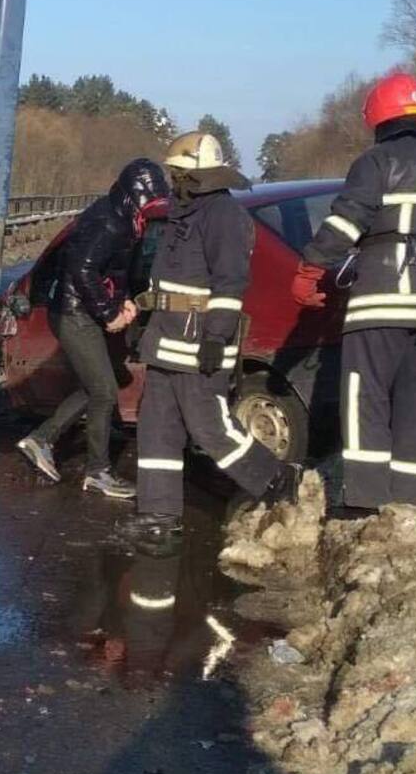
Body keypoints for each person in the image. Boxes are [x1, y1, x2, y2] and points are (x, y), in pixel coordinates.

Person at [290, 72, 416, 516]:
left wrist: (309, 269)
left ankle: (363, 503)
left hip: (380, 304)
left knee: (367, 399)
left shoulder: (377, 162)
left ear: (381, 119)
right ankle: (415, 505)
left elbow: (346, 222)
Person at [120, 133, 297, 546]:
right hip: (166, 341)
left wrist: (216, 337)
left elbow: (230, 282)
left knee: (209, 427)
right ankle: (158, 516)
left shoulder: (223, 215)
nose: (172, 178)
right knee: (156, 428)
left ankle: (275, 479)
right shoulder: (185, 214)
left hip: (200, 343)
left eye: (177, 172)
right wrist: (143, 319)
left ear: (197, 173)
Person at [15, 159, 171, 500]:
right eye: (149, 200)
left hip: (84, 312)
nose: (154, 206)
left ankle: (42, 439)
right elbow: (82, 269)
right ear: (133, 195)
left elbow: (118, 272)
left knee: (99, 384)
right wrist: (109, 312)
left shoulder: (129, 221)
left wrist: (127, 300)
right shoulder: (110, 222)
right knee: (104, 390)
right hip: (74, 315)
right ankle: (97, 472)